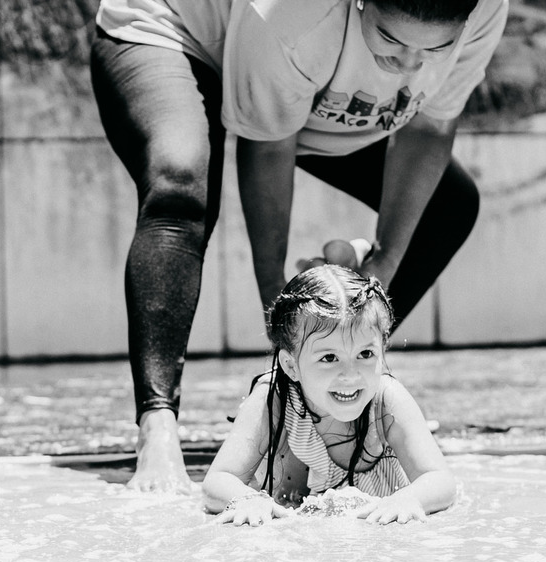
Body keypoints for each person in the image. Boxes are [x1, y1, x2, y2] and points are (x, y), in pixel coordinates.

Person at [90, 0, 507, 492]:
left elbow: (430, 129)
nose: (411, 66)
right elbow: (268, 144)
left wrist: (386, 259)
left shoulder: (485, 8)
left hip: (301, 81)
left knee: (448, 206)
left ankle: (333, 394)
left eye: (435, 48)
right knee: (181, 182)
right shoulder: (294, 13)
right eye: (392, 40)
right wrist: (280, 307)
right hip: (182, 33)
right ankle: (157, 426)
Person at [202, 265, 456, 525]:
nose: (350, 375)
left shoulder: (386, 400)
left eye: (365, 354)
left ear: (383, 349)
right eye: (329, 358)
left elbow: (441, 481)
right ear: (291, 366)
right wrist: (247, 499)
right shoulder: (273, 398)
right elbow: (217, 481)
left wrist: (409, 498)